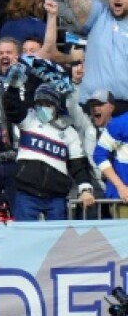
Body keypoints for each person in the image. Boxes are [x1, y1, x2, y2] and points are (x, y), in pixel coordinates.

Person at [13, 83, 97, 220]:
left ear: (56, 106)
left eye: (47, 104)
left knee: (57, 240)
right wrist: (13, 86)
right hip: (27, 195)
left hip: (56, 198)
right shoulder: (28, 119)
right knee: (25, 238)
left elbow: (78, 165)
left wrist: (85, 189)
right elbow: (11, 106)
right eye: (39, 103)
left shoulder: (70, 133)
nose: (42, 108)